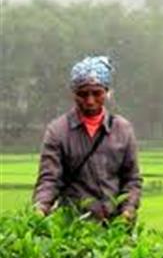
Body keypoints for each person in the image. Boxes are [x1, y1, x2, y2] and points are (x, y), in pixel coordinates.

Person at [33, 56, 142, 222]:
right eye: (83, 94)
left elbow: (132, 179)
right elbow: (49, 179)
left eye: (96, 93)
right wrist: (40, 208)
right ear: (74, 94)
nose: (90, 101)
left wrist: (128, 211)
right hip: (73, 226)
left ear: (107, 92)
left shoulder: (122, 129)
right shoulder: (58, 131)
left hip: (115, 225)